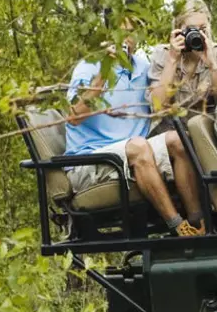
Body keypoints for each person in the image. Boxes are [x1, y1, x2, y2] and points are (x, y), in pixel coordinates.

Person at [62, 24, 208, 236]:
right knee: (139, 146)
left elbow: (159, 105)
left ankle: (198, 223)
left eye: (131, 32)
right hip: (90, 161)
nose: (126, 38)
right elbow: (74, 116)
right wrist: (104, 72)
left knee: (179, 140)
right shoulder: (89, 65)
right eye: (121, 31)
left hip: (134, 151)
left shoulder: (141, 66)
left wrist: (174, 59)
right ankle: (177, 227)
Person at [147, 0, 217, 118]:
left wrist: (212, 65)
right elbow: (157, 107)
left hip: (205, 124)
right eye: (191, 29)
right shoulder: (162, 54)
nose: (197, 34)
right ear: (178, 30)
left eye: (202, 29)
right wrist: (172, 60)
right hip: (171, 125)